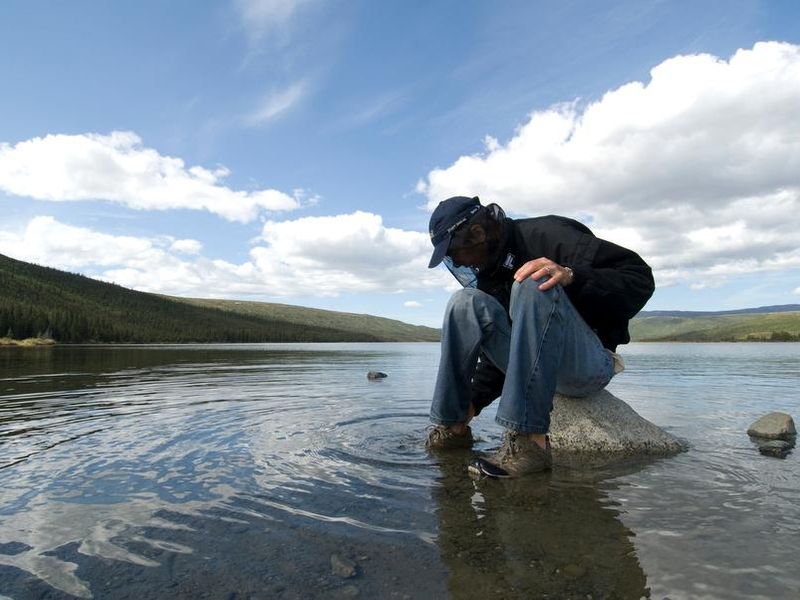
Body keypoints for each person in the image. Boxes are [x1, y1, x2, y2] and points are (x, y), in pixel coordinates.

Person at [425, 196, 655, 477]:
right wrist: (474, 401)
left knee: (535, 283)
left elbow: (640, 278)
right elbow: (517, 343)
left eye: (454, 250)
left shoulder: (548, 234)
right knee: (464, 303)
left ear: (477, 233)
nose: (456, 260)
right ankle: (453, 427)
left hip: (587, 365)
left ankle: (529, 444)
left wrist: (572, 275)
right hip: (538, 370)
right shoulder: (488, 271)